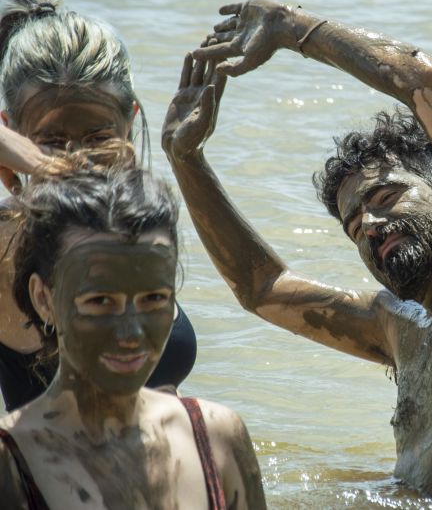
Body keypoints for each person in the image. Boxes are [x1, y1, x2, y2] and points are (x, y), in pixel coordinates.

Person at [163, 0, 432, 508]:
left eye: (385, 198)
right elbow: (262, 288)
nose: (369, 225)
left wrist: (295, 28)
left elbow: (426, 87)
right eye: (353, 226)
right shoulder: (398, 324)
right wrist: (185, 159)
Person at [0, 148, 267, 509]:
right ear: (44, 298)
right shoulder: (13, 461)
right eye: (99, 301)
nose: (131, 334)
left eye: (153, 299)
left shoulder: (217, 436)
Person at [0, 0, 197, 412]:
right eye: (51, 140)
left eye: (97, 137)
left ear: (131, 121)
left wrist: (189, 160)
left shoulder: (141, 218)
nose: (78, 161)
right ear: (12, 131)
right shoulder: (4, 243)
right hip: (43, 477)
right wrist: (33, 162)